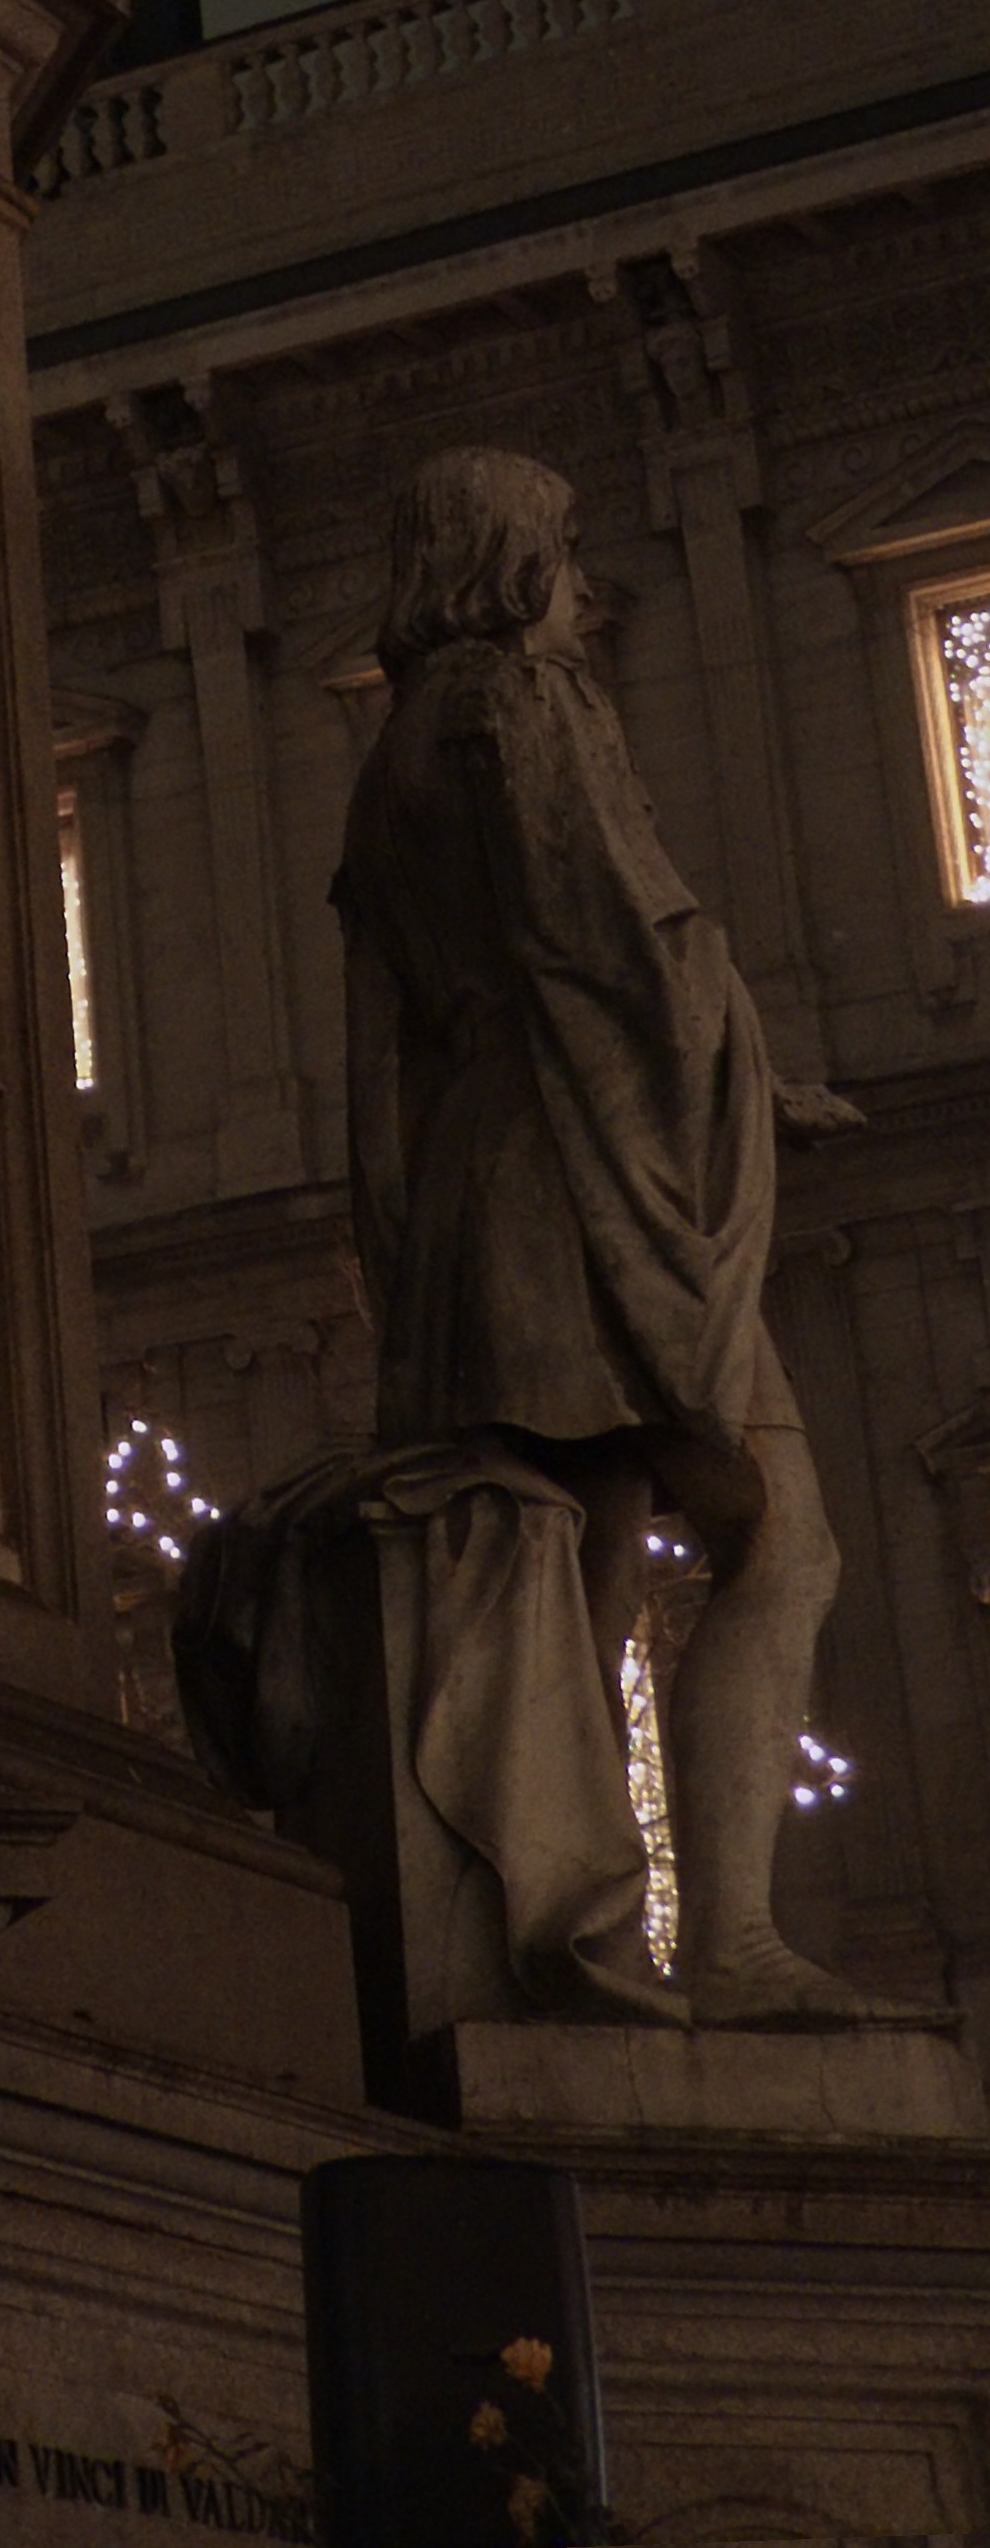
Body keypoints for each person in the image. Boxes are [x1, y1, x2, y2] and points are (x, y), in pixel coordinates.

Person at [332, 445, 869, 2023]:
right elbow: (623, 942)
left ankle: (569, 1924)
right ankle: (732, 1940)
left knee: (586, 1569)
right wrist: (747, 1081)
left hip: (477, 1193)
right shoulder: (523, 703)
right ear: (512, 563)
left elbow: (394, 1037)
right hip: (590, 1168)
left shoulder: (397, 750)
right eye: (562, 550)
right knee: (785, 1542)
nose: (577, 583)